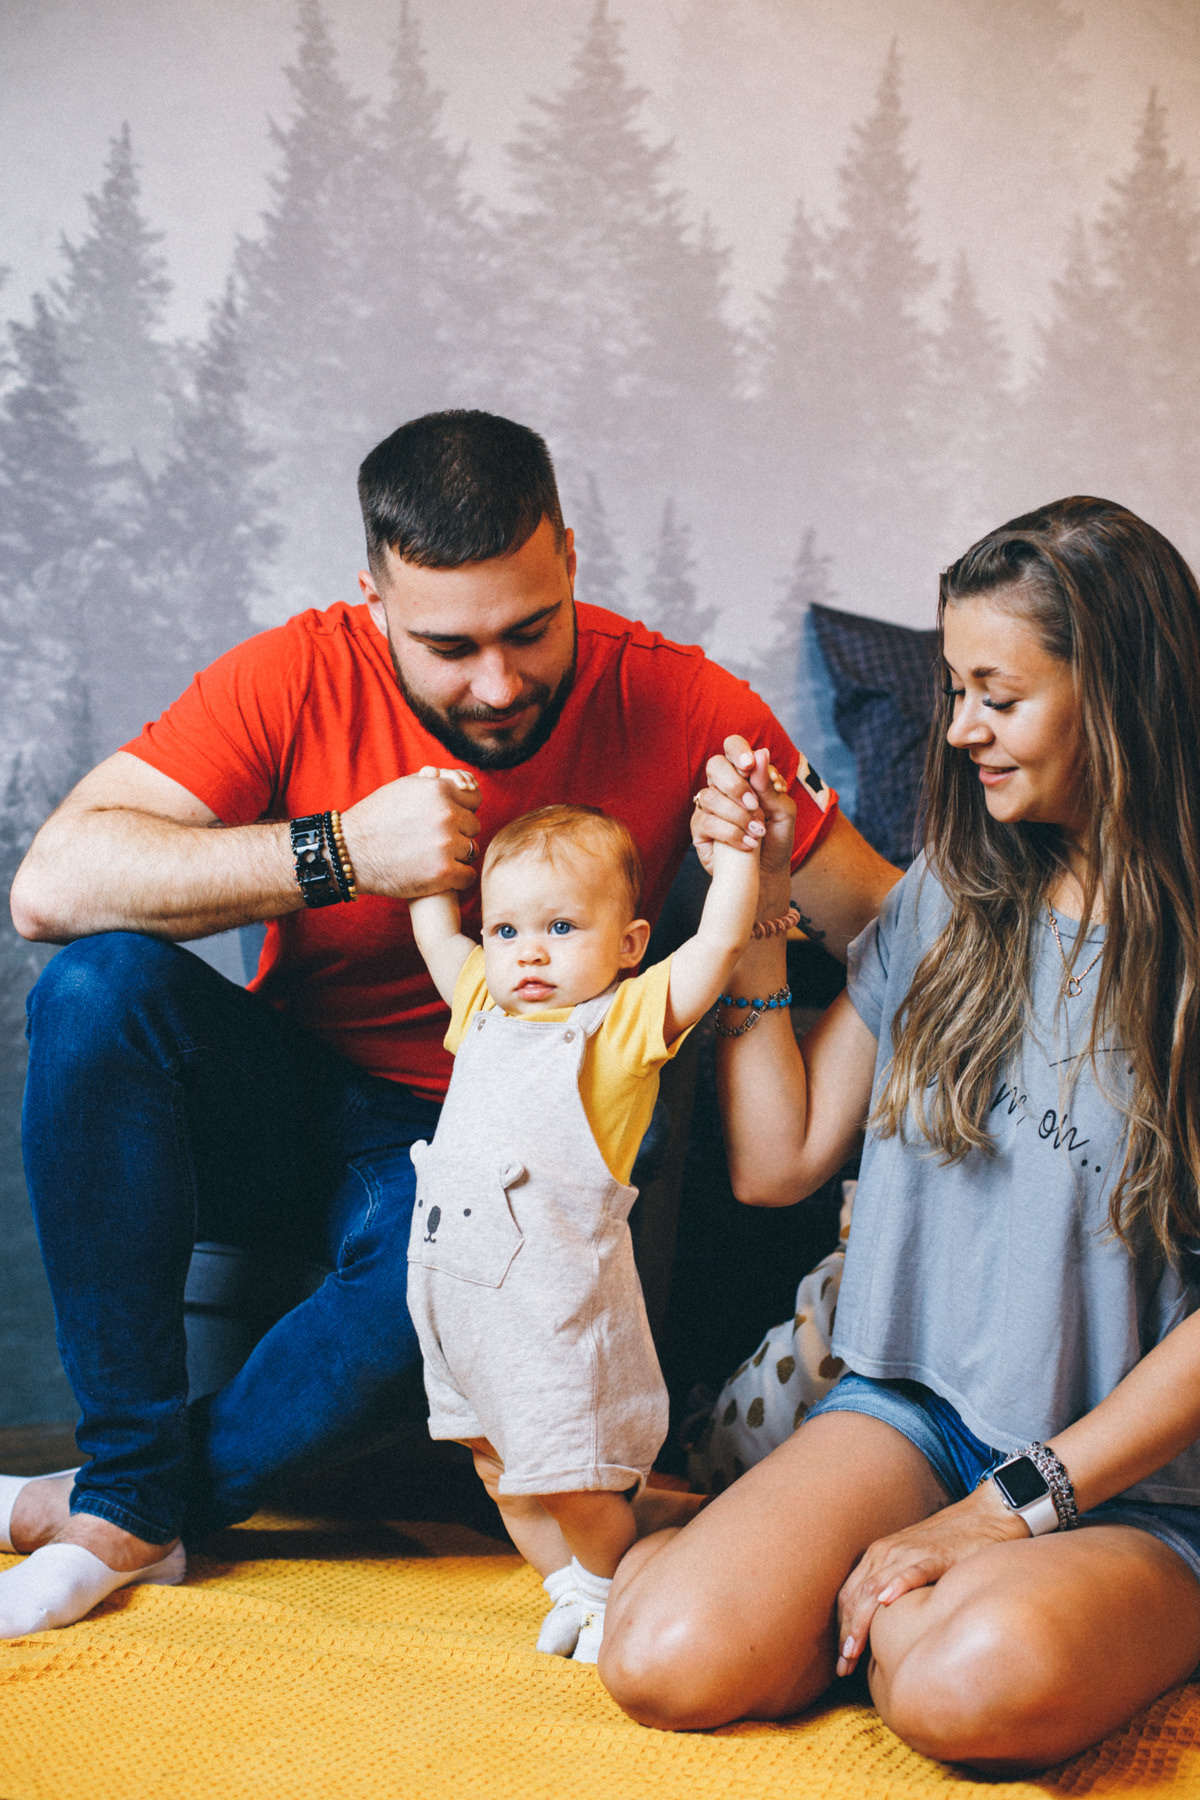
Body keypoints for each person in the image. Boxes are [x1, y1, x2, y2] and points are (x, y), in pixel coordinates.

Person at [3, 409, 897, 1637]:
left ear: (571, 560)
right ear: (372, 599)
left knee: (451, 1277)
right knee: (97, 987)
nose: (498, 682)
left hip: (493, 1172)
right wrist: (339, 853)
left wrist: (774, 879)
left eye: (529, 629)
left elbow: (901, 932)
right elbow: (52, 886)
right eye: (449, 646)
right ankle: (129, 1487)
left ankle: (121, 1504)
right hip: (291, 1103)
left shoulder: (685, 703)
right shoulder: (296, 671)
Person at [599, 497, 1200, 1773]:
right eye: (951, 687)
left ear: (1121, 699)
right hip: (913, 1414)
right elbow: (782, 1161)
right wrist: (752, 913)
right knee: (663, 1663)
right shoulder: (951, 894)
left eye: (999, 692)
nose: (962, 727)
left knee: (957, 1690)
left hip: (1140, 1486)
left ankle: (961, 1606)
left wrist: (1004, 1517)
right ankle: (790, 1571)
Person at [407, 786, 766, 1661]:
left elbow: (717, 946)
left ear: (629, 944)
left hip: (555, 1316)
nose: (529, 953)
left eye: (561, 929)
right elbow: (434, 932)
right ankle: (566, 1584)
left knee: (573, 1478)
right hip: (458, 1310)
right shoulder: (481, 1007)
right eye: (507, 931)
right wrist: (426, 857)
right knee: (502, 1470)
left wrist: (741, 862)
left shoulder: (622, 1024)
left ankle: (611, 1584)